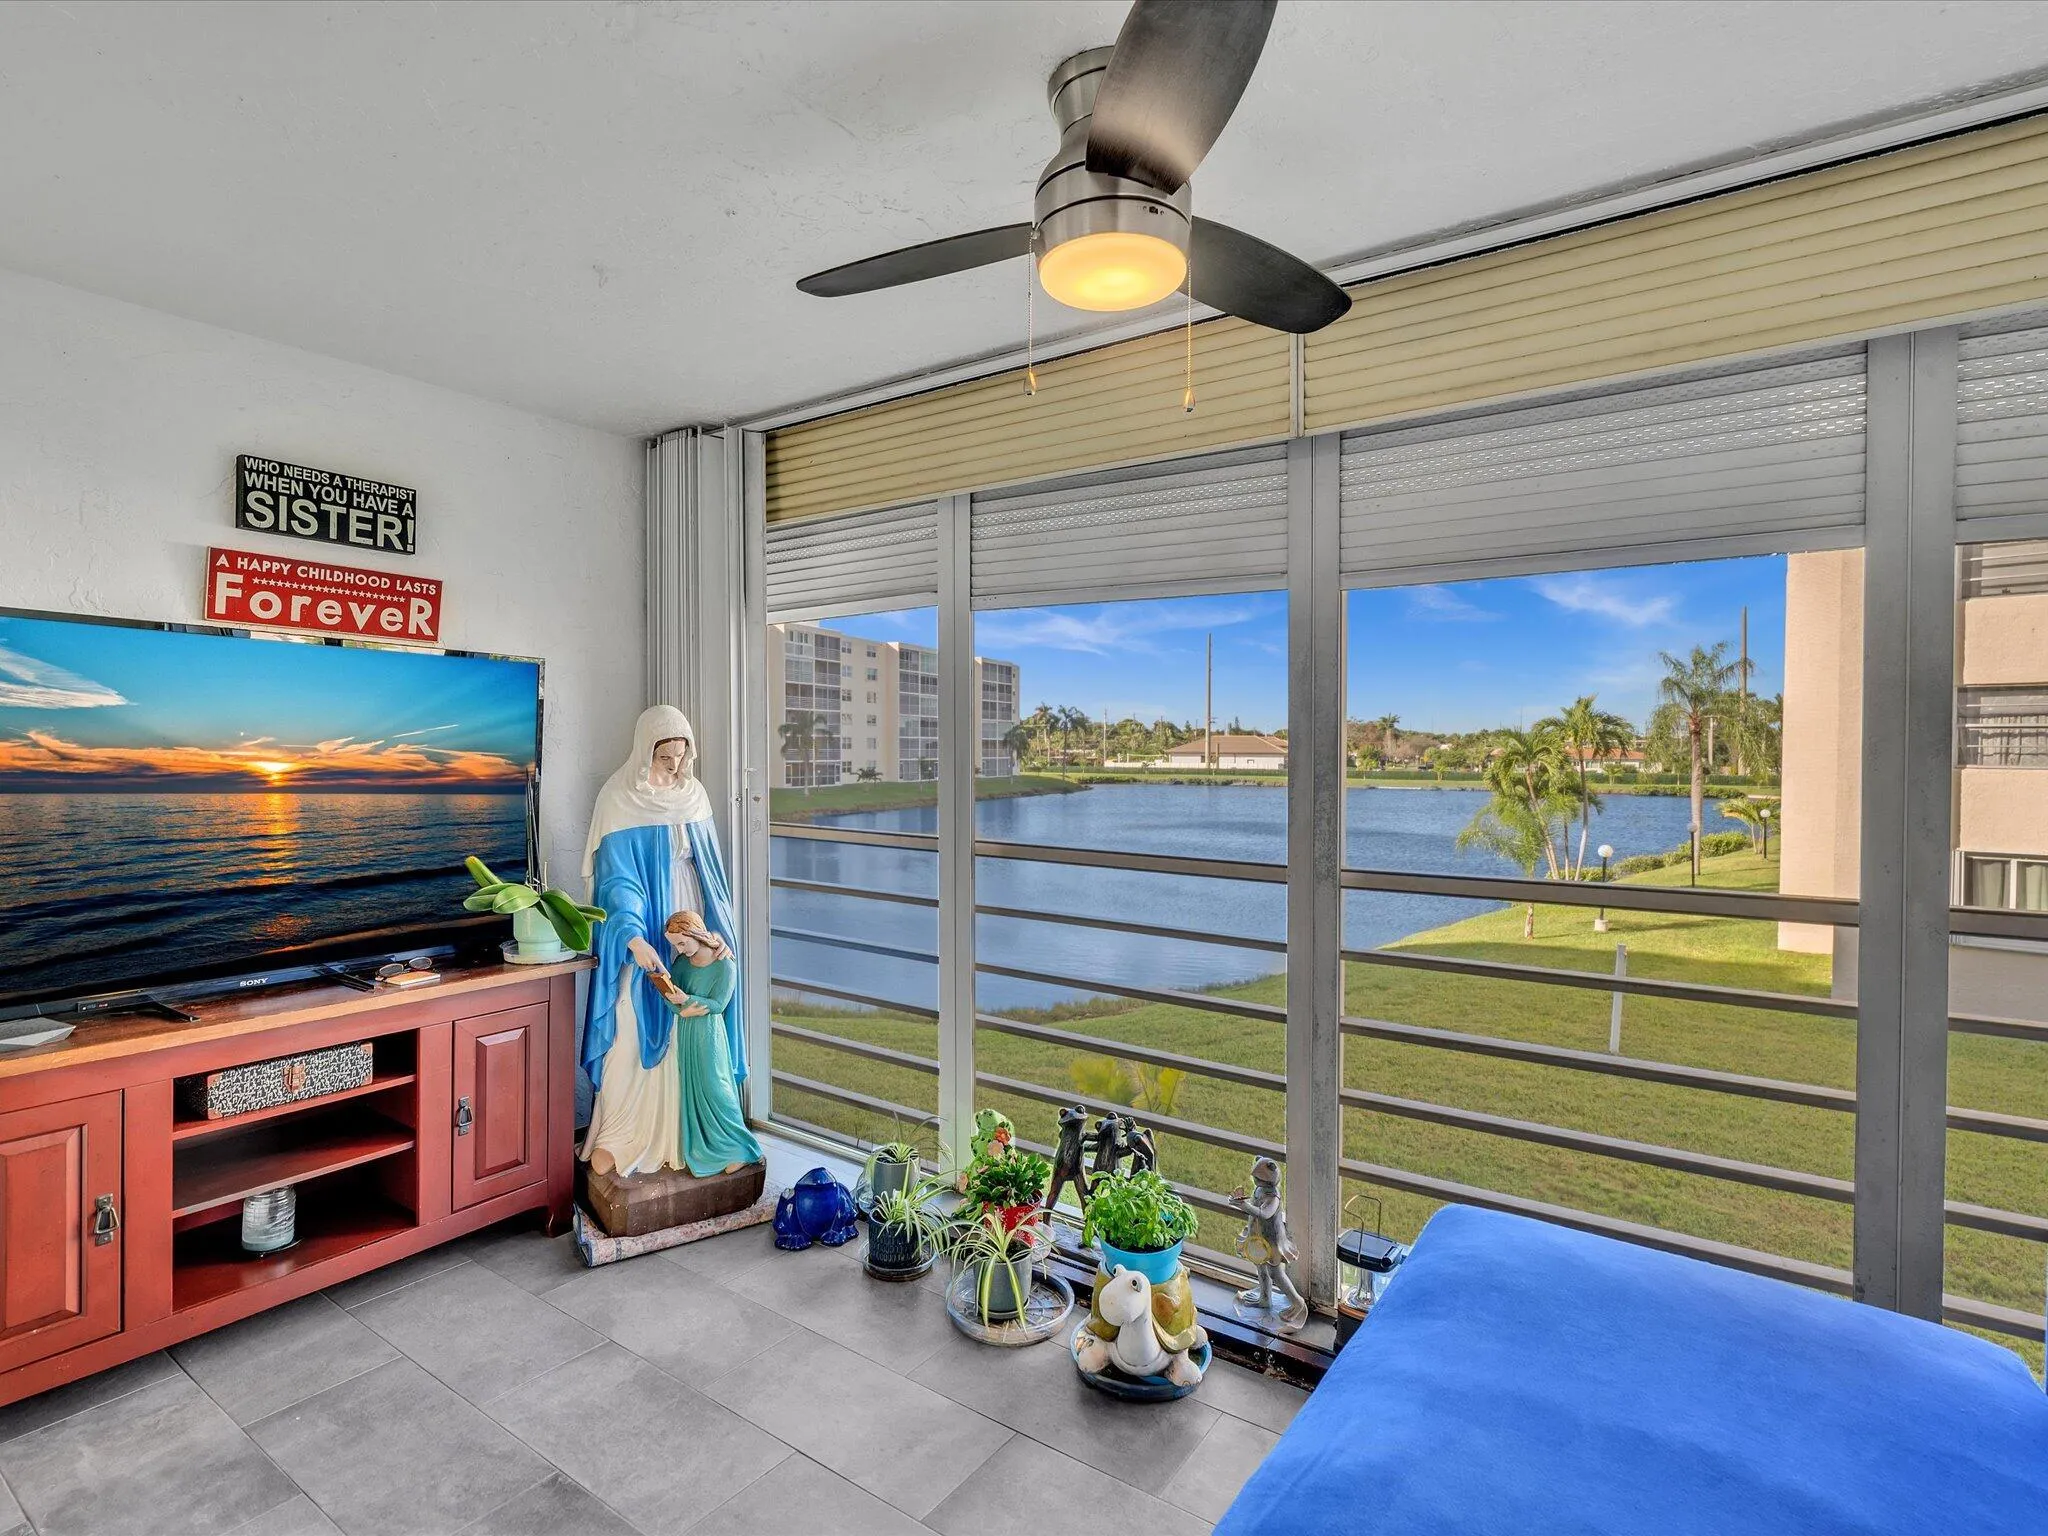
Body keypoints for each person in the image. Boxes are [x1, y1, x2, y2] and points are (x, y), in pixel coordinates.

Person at [578, 705, 761, 1179]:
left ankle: (704, 1136)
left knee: (698, 1027)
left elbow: (711, 875)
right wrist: (633, 937)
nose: (676, 766)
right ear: (646, 751)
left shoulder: (693, 796)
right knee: (631, 1025)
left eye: (682, 756)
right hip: (647, 925)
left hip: (692, 920)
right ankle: (623, 1135)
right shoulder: (619, 797)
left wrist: (716, 934)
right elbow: (618, 883)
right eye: (666, 757)